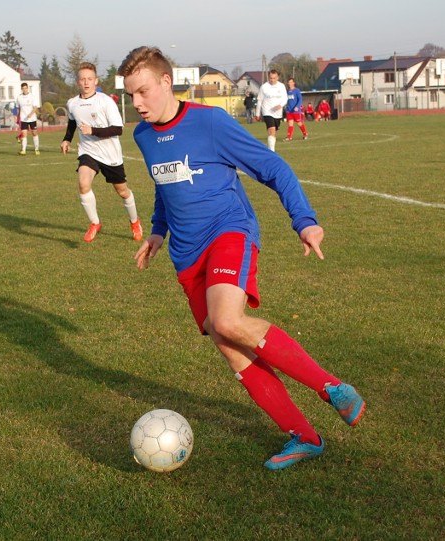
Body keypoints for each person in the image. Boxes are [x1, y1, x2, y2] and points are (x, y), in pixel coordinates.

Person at [118, 46, 365, 471]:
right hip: (186, 253)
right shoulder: (142, 135)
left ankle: (333, 388)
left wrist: (304, 220)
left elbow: (273, 168)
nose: (136, 103)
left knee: (228, 321)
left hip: (229, 231)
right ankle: (305, 437)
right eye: (130, 96)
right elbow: (166, 184)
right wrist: (158, 230)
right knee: (229, 345)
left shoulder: (209, 122)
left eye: (142, 92)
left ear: (165, 81)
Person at [60, 62, 143, 243]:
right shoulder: (72, 103)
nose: (86, 82)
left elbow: (118, 129)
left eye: (90, 79)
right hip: (88, 152)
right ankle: (95, 222)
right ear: (77, 82)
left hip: (110, 154)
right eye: (82, 79)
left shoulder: (105, 101)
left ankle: (135, 221)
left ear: (96, 81)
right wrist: (67, 139)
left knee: (122, 191)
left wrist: (93, 131)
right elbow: (73, 121)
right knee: (83, 183)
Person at [254, 69, 288, 151]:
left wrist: (280, 105)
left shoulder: (281, 86)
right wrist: (257, 114)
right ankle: (272, 151)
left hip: (278, 113)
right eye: (270, 78)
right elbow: (260, 100)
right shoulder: (264, 87)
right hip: (267, 112)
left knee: (274, 132)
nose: (272, 80)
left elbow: (285, 98)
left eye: (274, 78)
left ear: (277, 78)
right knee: (271, 129)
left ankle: (270, 148)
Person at [16, 82, 40, 156]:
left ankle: (36, 149)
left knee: (34, 133)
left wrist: (31, 114)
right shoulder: (19, 97)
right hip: (23, 118)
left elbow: (35, 107)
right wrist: (17, 117)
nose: (24, 89)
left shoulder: (32, 96)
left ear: (27, 88)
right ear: (21, 89)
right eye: (23, 88)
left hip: (32, 118)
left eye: (26, 88)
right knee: (24, 134)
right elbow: (18, 108)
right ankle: (23, 150)